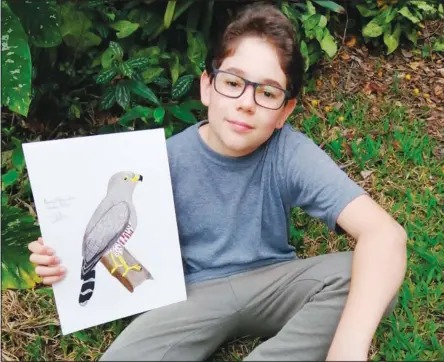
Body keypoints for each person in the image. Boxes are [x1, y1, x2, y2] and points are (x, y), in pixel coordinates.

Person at [27, 2, 407, 361]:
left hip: (273, 283)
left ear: (284, 111)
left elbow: (386, 236)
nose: (247, 102)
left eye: (268, 92)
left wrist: (348, 348)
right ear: (207, 87)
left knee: (364, 276)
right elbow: (114, 237)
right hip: (190, 297)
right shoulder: (158, 162)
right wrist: (58, 257)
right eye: (233, 83)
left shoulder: (288, 151)